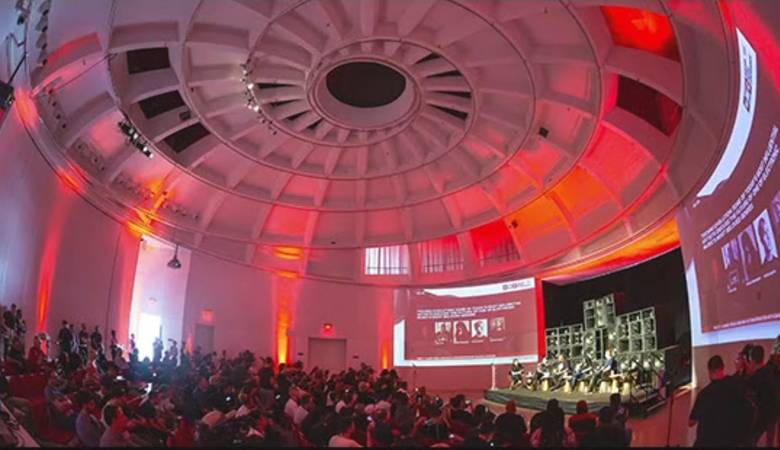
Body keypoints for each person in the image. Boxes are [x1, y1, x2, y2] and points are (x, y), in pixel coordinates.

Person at [689, 355, 754, 446]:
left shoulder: (704, 394)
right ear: (723, 367)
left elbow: (691, 422)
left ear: (709, 370)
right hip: (732, 439)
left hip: (709, 442)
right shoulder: (736, 384)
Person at [746, 345, 780, 446]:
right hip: (774, 414)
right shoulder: (772, 371)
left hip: (762, 418)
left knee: (753, 440)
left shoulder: (753, 380)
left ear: (751, 360)